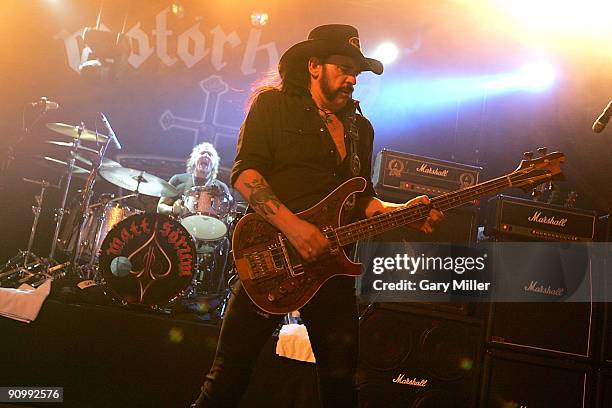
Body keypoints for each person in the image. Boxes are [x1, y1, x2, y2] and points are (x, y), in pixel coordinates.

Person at [191, 24, 442, 407]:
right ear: (313, 66)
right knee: (227, 379)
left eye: (356, 72)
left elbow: (362, 199)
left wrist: (400, 213)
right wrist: (296, 230)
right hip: (270, 258)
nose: (352, 79)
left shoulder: (361, 129)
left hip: (331, 270)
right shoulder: (273, 106)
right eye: (343, 68)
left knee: (341, 388)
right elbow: (245, 176)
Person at [157, 142, 230, 216]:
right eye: (202, 153)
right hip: (180, 226)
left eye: (210, 154)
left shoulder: (222, 188)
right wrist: (172, 209)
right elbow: (160, 207)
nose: (206, 155)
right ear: (194, 159)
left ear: (214, 164)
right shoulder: (177, 180)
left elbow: (228, 214)